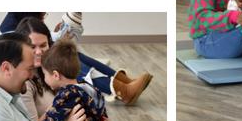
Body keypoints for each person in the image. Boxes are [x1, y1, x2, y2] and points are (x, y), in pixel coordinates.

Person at [11, 15, 153, 107]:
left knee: (74, 56)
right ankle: (122, 90)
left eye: (43, 45)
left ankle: (124, 82)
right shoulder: (24, 81)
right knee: (65, 60)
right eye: (33, 47)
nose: (39, 52)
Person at [27, 40, 107, 121]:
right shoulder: (86, 87)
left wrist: (48, 112)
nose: (44, 78)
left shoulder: (66, 95)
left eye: (45, 74)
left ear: (55, 75)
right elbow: (102, 110)